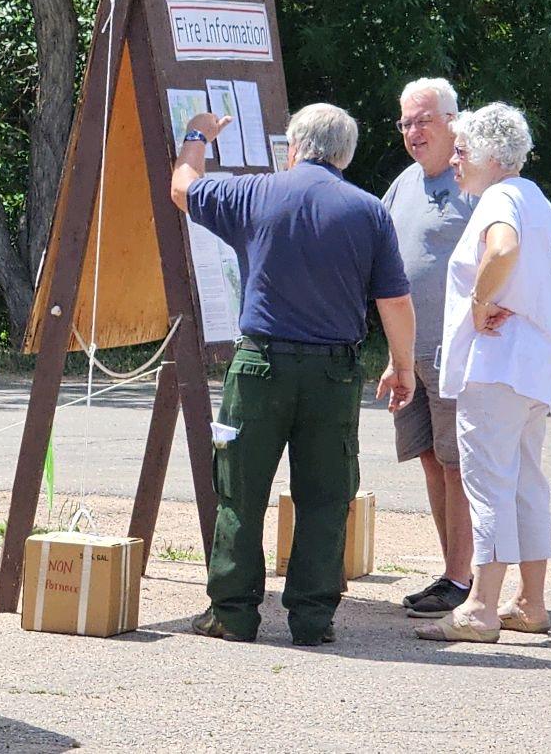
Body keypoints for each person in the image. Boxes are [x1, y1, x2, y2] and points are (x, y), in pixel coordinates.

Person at [171, 102, 418, 646]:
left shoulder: (253, 193)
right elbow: (394, 302)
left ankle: (232, 613)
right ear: (345, 155)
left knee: (240, 490)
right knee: (326, 496)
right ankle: (311, 618)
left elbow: (183, 186)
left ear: (293, 148)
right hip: (334, 373)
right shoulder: (369, 211)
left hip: (259, 366)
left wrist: (197, 134)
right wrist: (403, 367)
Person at [417, 102, 551, 644]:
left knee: (489, 484)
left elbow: (503, 247)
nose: (454, 160)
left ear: (489, 156)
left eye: (462, 151)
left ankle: (479, 609)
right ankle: (530, 601)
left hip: (498, 365)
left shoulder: (499, 197)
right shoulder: (535, 198)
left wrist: (480, 301)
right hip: (534, 365)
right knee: (526, 480)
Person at [379, 78, 479, 618]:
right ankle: (450, 571)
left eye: (423, 121)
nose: (414, 133)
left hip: (455, 352)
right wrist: (394, 353)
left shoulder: (474, 183)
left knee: (457, 463)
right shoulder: (404, 184)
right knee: (428, 460)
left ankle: (462, 579)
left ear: (451, 121)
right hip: (410, 354)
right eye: (406, 123)